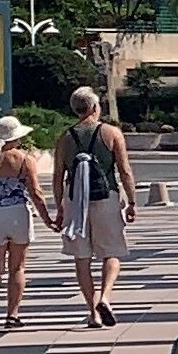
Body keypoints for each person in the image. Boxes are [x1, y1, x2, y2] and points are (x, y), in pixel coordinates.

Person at [54, 87, 140, 329]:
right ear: (94, 107)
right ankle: (105, 297)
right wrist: (131, 201)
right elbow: (124, 170)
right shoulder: (111, 133)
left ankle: (93, 312)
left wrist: (60, 207)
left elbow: (58, 175)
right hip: (106, 198)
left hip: (75, 202)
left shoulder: (66, 136)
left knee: (82, 259)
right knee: (111, 253)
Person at [0, 116, 57, 334]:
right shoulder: (25, 159)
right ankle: (12, 315)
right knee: (17, 268)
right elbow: (36, 193)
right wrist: (47, 218)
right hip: (18, 214)